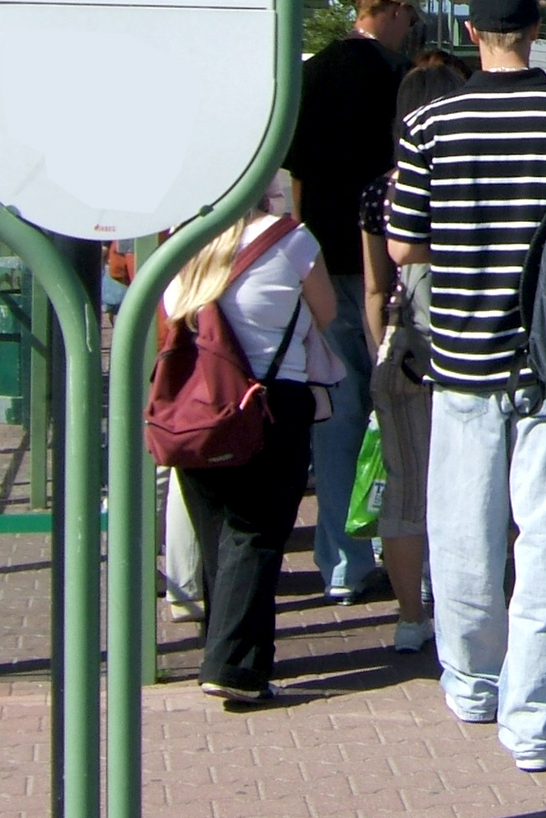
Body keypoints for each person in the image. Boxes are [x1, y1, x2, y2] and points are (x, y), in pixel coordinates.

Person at [387, 0, 546, 772]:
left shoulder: (429, 123)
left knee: (462, 530)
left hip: (462, 359)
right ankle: (534, 725)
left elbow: (402, 246)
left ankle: (470, 683)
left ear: (469, 33)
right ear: (537, 30)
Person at [164, 173, 336, 705]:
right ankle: (234, 667)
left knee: (220, 534)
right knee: (256, 534)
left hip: (197, 406)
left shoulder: (181, 242)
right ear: (266, 187)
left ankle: (227, 652)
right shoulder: (292, 240)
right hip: (270, 404)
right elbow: (327, 313)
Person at [285, 0, 421, 602]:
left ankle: (342, 563)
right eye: (410, 17)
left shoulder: (311, 75)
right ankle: (405, 552)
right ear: (392, 12)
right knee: (398, 416)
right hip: (388, 266)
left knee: (334, 414)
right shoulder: (399, 81)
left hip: (322, 261)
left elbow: (296, 179)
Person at [360, 52, 469, 655]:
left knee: (407, 487)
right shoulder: (473, 179)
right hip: (475, 352)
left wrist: (382, 346)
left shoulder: (383, 191)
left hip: (405, 353)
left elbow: (376, 289)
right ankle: (471, 609)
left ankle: (409, 619)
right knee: (478, 485)